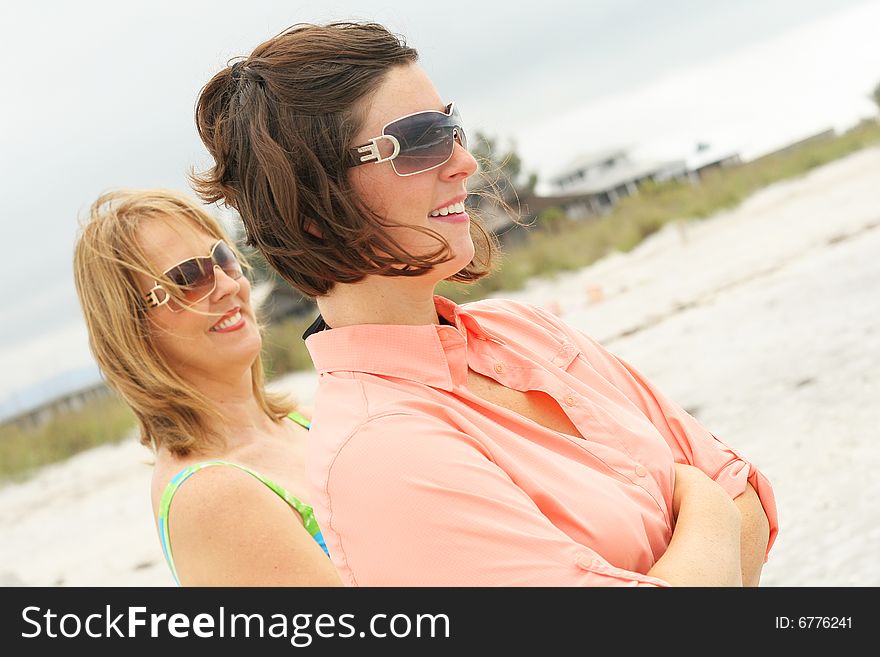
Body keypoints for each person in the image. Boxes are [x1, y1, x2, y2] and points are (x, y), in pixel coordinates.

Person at [191, 22, 778, 586]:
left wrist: (709, 541)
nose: (464, 160)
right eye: (419, 141)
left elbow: (747, 487)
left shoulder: (523, 331)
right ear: (312, 211)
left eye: (451, 127)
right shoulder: (380, 454)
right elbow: (724, 498)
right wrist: (706, 506)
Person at [73, 189, 342, 587]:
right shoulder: (211, 496)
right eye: (187, 278)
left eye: (223, 260)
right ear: (134, 328)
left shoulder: (301, 421)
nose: (226, 286)